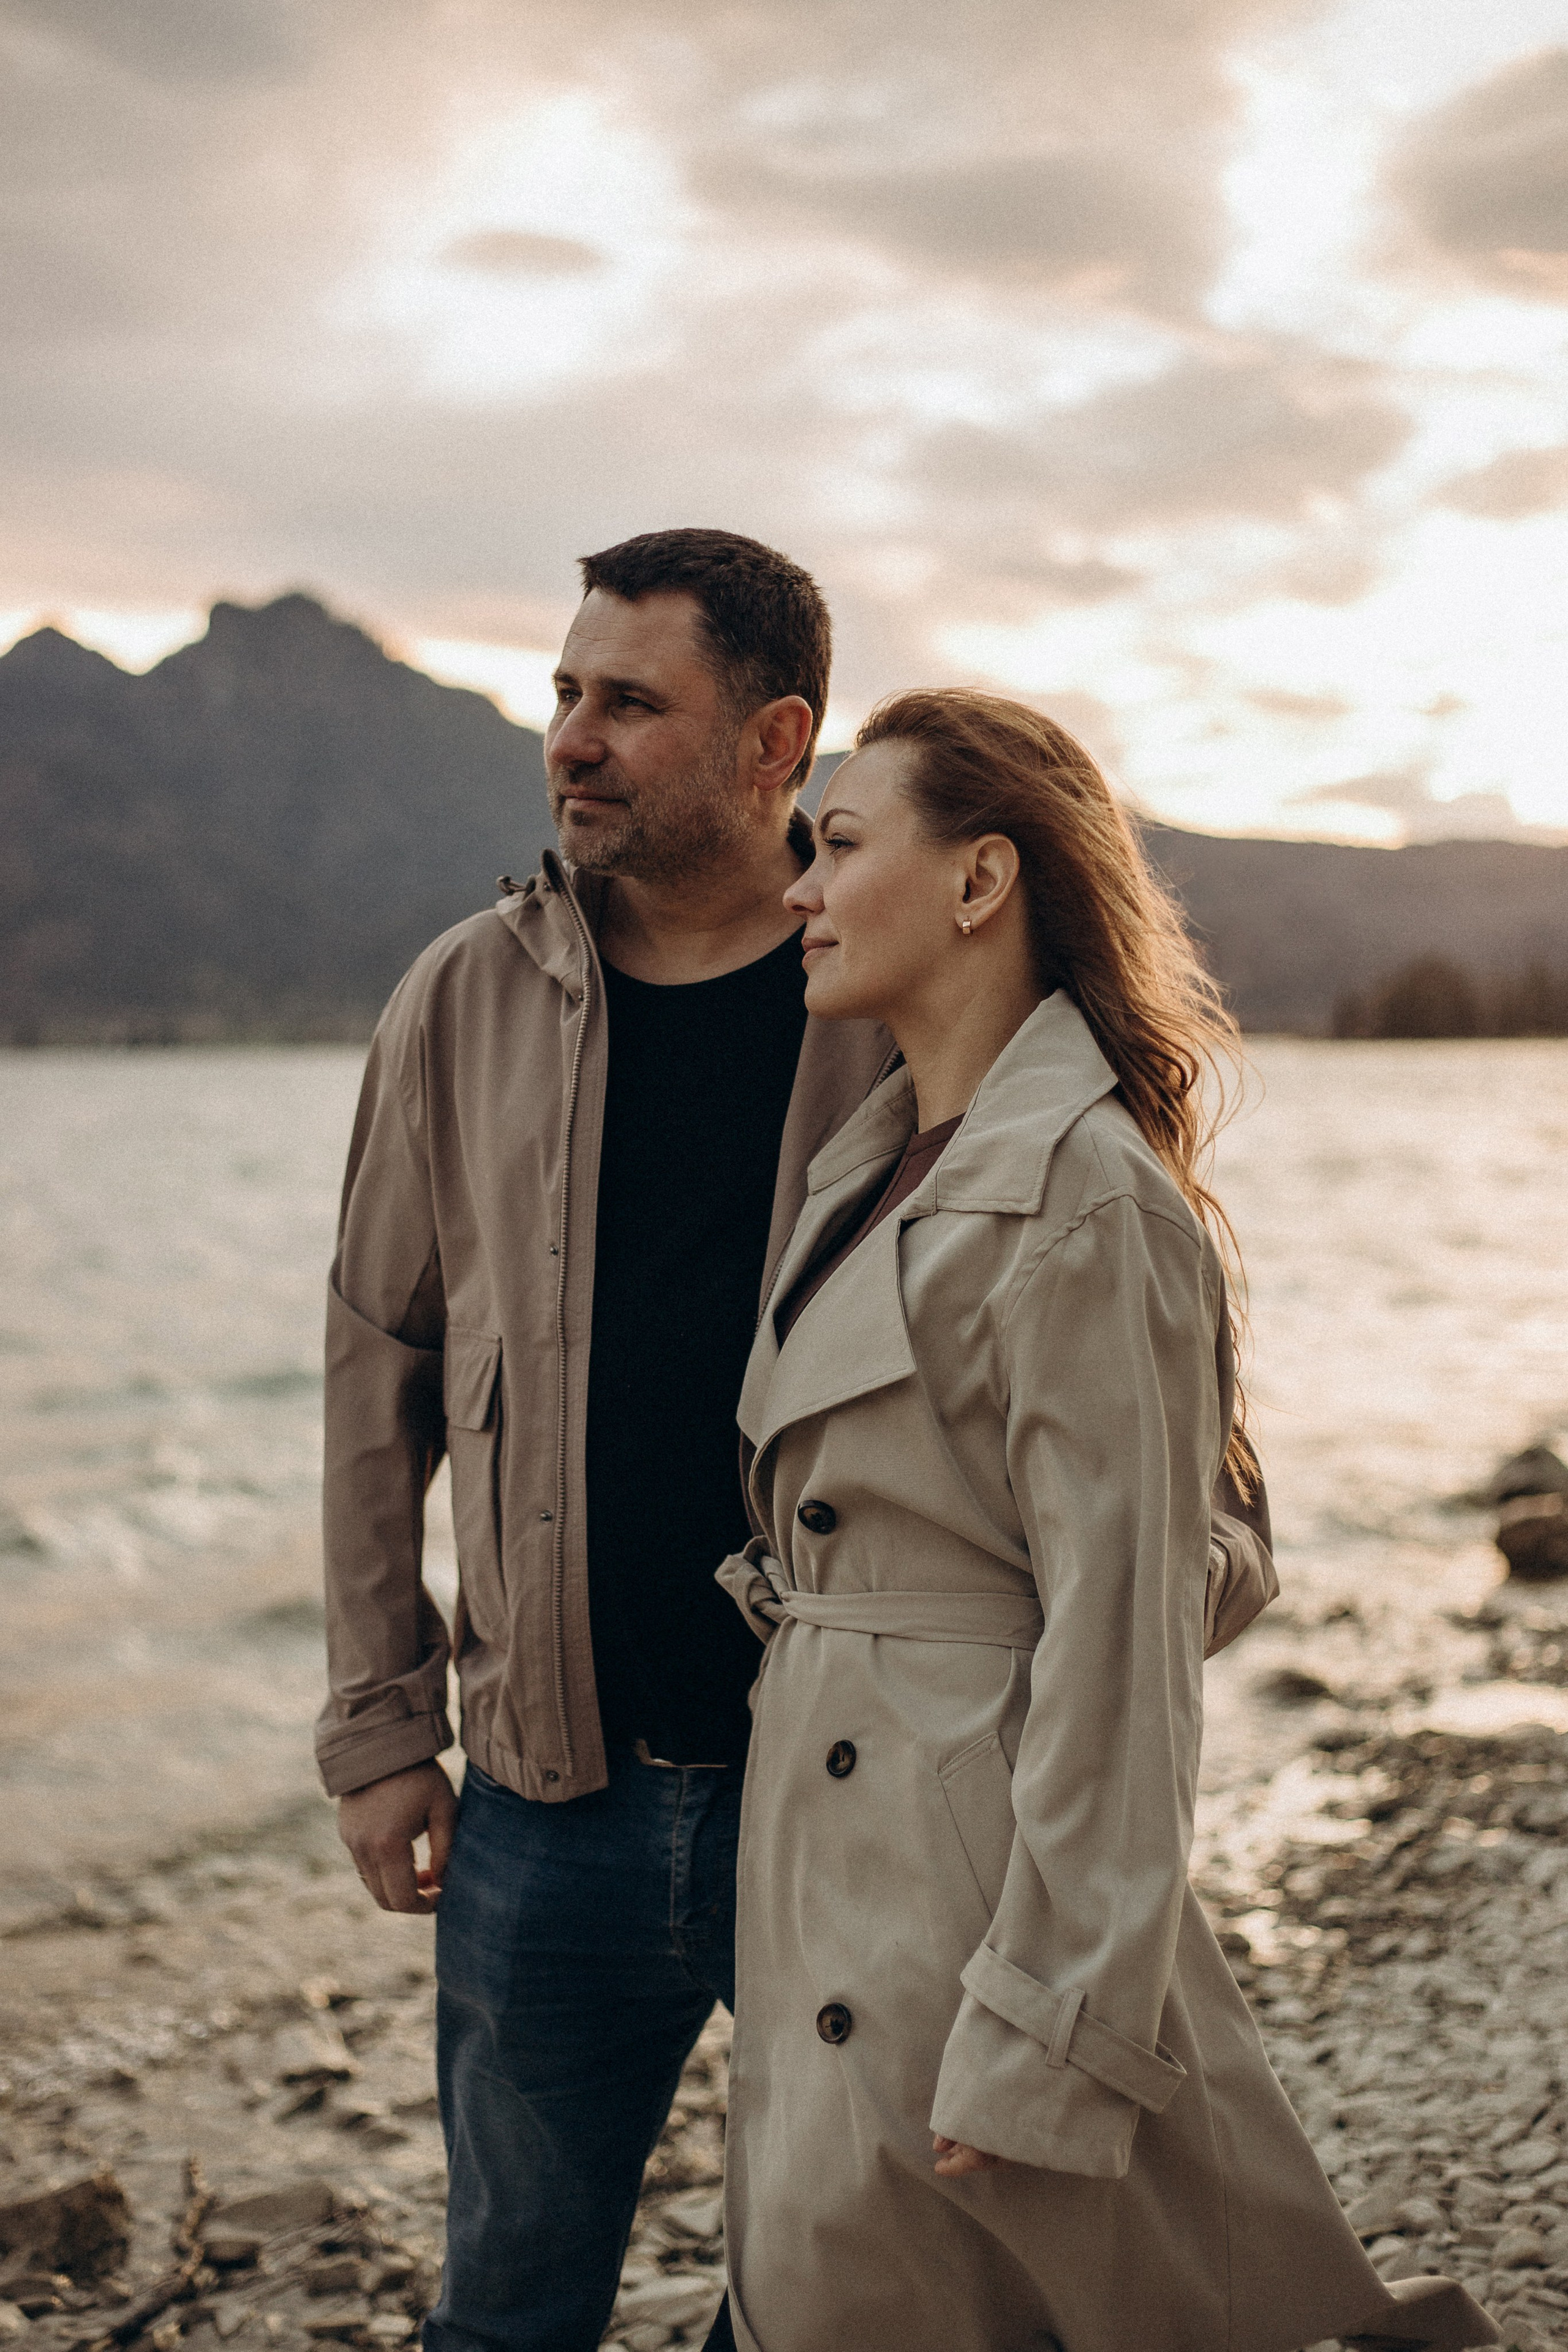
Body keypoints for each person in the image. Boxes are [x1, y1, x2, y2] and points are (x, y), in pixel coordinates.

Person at [317, 533, 1278, 2352]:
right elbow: (379, 1380)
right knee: (505, 2306)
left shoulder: (911, 1013)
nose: (572, 741)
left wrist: (1009, 1695)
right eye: (562, 696)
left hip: (848, 1807)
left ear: (777, 743)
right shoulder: (463, 998)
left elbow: (1169, 1487)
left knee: (854, 2288)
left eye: (629, 703)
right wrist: (382, 1724)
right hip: (550, 1796)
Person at [705, 692, 1497, 2352]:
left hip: (967, 1900)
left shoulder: (1091, 1196)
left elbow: (1123, 1657)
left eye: (842, 845)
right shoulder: (875, 1164)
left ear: (982, 881)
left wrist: (1047, 2027)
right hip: (840, 1861)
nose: (803, 889)